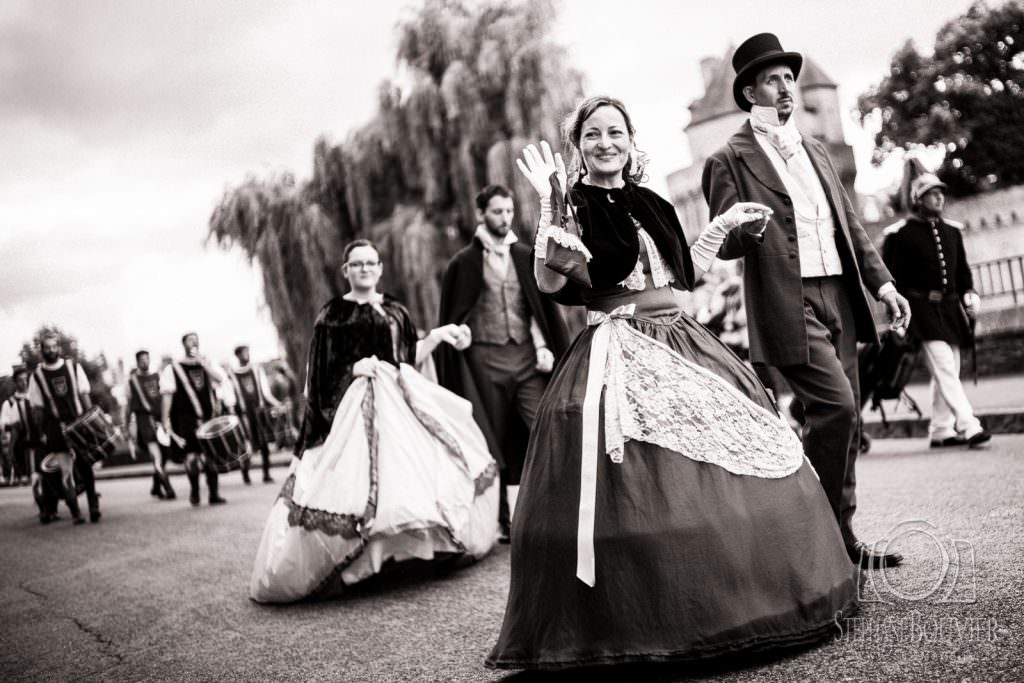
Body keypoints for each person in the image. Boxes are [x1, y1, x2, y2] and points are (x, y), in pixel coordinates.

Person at [486, 96, 858, 670]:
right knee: (640, 490)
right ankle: (649, 620)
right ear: (578, 146)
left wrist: (724, 227)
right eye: (593, 135)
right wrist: (552, 206)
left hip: (684, 337)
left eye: (616, 132)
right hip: (617, 345)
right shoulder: (575, 204)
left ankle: (755, 599)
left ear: (632, 142)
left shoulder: (654, 202)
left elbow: (681, 270)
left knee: (744, 456)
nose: (606, 142)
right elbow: (551, 273)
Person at [701, 33, 913, 569]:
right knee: (836, 407)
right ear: (750, 93)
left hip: (840, 293)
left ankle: (843, 538)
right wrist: (742, 229)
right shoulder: (728, 158)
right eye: (772, 79)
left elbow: (852, 228)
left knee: (848, 421)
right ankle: (815, 530)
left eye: (789, 78)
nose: (785, 87)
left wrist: (884, 285)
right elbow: (725, 239)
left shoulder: (817, 150)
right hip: (788, 300)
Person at [250, 239, 499, 603]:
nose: (365, 269)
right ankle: (363, 563)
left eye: (371, 263)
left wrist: (439, 335)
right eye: (357, 264)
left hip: (401, 400)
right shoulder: (332, 315)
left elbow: (407, 357)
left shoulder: (395, 308)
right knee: (358, 485)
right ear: (346, 271)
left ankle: (414, 552)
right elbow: (319, 375)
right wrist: (352, 369)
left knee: (415, 474)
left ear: (380, 268)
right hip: (357, 405)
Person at [436, 184, 570, 542]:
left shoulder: (525, 255)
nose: (505, 218)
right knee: (489, 438)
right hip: (484, 359)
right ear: (481, 214)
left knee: (544, 425)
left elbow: (537, 307)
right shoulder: (462, 264)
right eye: (497, 211)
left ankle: (560, 506)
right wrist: (459, 334)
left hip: (525, 358)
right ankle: (502, 519)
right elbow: (455, 313)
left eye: (509, 211)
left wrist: (543, 345)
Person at [881, 173, 991, 448]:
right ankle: (969, 425)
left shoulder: (952, 231)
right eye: (932, 193)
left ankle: (941, 430)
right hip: (920, 310)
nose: (939, 197)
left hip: (950, 309)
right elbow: (895, 281)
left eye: (941, 192)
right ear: (919, 199)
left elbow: (962, 272)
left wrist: (969, 293)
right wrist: (898, 317)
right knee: (944, 365)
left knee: (950, 367)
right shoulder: (900, 235)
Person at [27, 333, 101, 524]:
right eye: (47, 347)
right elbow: (38, 409)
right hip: (55, 428)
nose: (51, 350)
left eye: (54, 346)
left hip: (78, 424)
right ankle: (76, 512)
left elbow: (85, 395)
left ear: (59, 347)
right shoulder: (37, 376)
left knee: (86, 467)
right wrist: (42, 432)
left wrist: (92, 418)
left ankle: (93, 507)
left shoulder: (73, 366)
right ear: (42, 350)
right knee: (66, 472)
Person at [160, 332, 227, 506]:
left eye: (196, 340)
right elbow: (167, 395)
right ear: (183, 344)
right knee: (192, 457)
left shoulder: (206, 363)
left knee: (210, 455)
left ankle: (214, 494)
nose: (195, 342)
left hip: (208, 416)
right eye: (191, 340)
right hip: (185, 418)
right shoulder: (173, 368)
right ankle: (195, 491)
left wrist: (204, 364)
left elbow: (220, 379)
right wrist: (165, 419)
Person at [125, 350, 176, 500]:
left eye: (147, 359)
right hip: (144, 421)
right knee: (156, 456)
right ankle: (168, 489)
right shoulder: (131, 381)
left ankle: (155, 486)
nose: (145, 362)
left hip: (160, 419)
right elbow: (127, 406)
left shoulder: (158, 376)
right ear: (137, 362)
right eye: (142, 360)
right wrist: (127, 425)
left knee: (165, 455)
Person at [226, 344, 277, 484]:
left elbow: (266, 392)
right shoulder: (232, 374)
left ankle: (266, 473)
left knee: (264, 443)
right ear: (238, 356)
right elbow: (230, 398)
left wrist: (276, 403)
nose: (246, 355)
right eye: (243, 353)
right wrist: (232, 415)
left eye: (247, 352)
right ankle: (245, 474)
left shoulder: (256, 370)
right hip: (243, 415)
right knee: (245, 445)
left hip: (259, 413)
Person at [1, 367, 35, 487]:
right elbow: (4, 424)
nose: (24, 382)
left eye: (26, 379)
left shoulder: (35, 398)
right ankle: (20, 476)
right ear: (15, 382)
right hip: (19, 441)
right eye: (21, 380)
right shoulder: (9, 402)